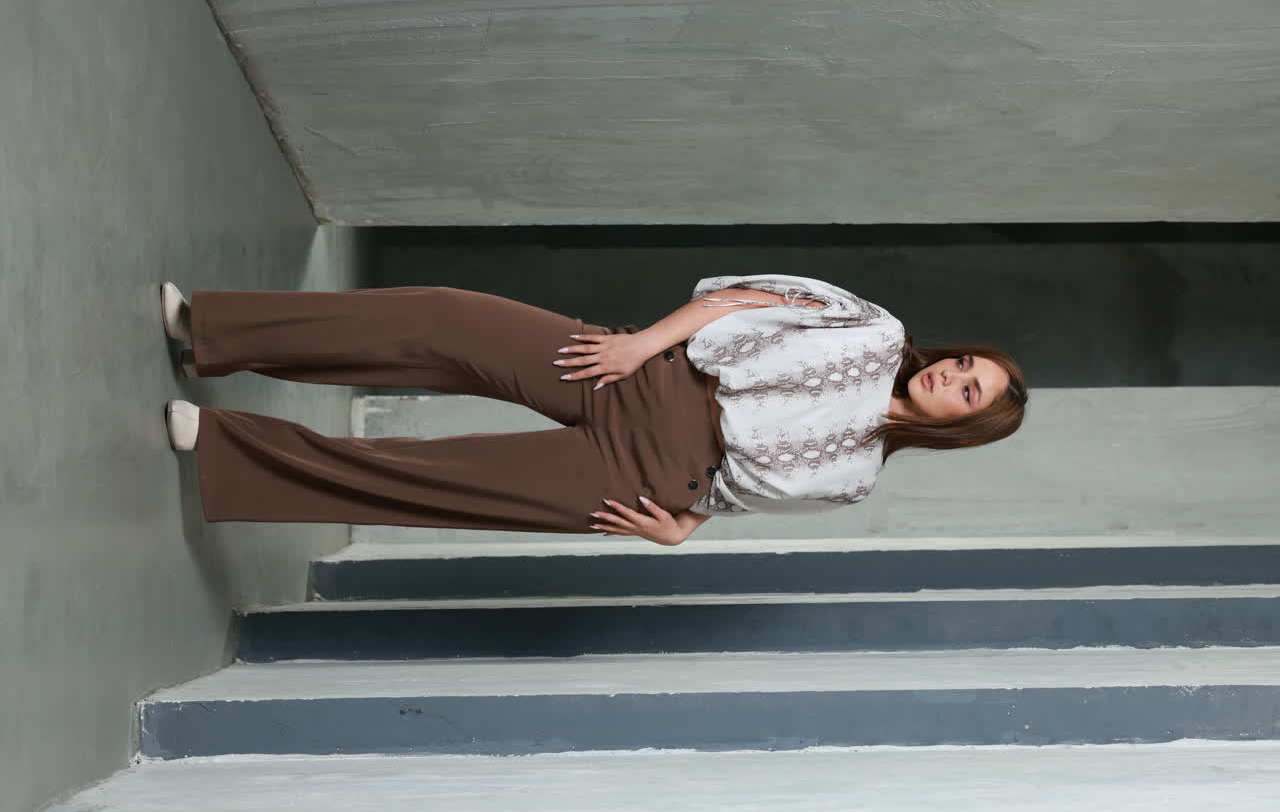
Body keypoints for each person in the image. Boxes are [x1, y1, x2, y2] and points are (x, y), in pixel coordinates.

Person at [159, 275, 1027, 546]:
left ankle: (223, 449)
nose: (952, 379)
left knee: (425, 481)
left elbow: (738, 496)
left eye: (969, 392)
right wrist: (643, 344)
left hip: (645, 474)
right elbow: (743, 298)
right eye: (964, 366)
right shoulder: (876, 330)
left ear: (967, 426)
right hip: (642, 372)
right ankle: (214, 331)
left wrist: (680, 531)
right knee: (438, 322)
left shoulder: (856, 479)